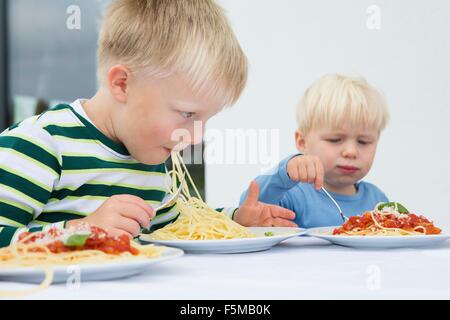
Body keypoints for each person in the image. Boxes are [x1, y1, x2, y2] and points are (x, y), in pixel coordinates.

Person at [0, 0, 295, 247]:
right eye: (187, 114)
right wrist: (80, 233)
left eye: (205, 119)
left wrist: (234, 218)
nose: (195, 137)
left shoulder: (150, 157)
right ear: (122, 84)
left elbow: (177, 226)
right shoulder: (40, 145)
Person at [240, 74, 390, 228]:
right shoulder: (294, 195)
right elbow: (248, 207)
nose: (351, 152)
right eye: (335, 139)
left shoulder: (378, 201)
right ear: (302, 142)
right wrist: (284, 172)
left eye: (364, 141)